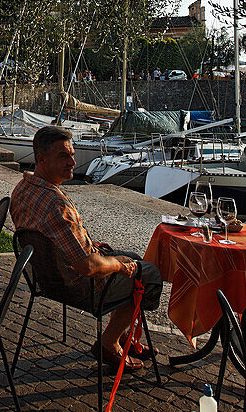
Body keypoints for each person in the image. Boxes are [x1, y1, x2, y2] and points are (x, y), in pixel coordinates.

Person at [10, 126, 162, 370]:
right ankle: (109, 342)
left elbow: (52, 238)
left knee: (132, 257)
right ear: (41, 159)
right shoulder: (56, 203)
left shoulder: (23, 189)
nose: (72, 162)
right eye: (63, 156)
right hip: (78, 286)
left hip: (47, 279)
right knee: (149, 274)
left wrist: (98, 248)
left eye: (72, 154)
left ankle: (123, 334)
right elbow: (88, 266)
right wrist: (119, 265)